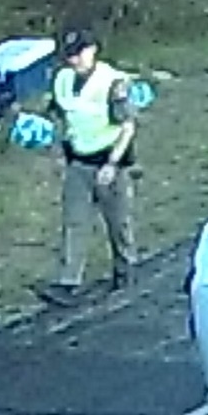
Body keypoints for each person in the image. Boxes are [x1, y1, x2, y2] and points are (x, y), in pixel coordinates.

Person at [38, 24, 143, 300]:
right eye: (70, 55)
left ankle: (126, 269)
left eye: (80, 53)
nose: (75, 60)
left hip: (110, 163)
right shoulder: (62, 79)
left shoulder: (113, 83)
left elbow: (128, 126)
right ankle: (67, 281)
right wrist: (57, 152)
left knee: (118, 221)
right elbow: (59, 116)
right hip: (78, 162)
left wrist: (112, 164)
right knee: (74, 221)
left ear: (93, 50)